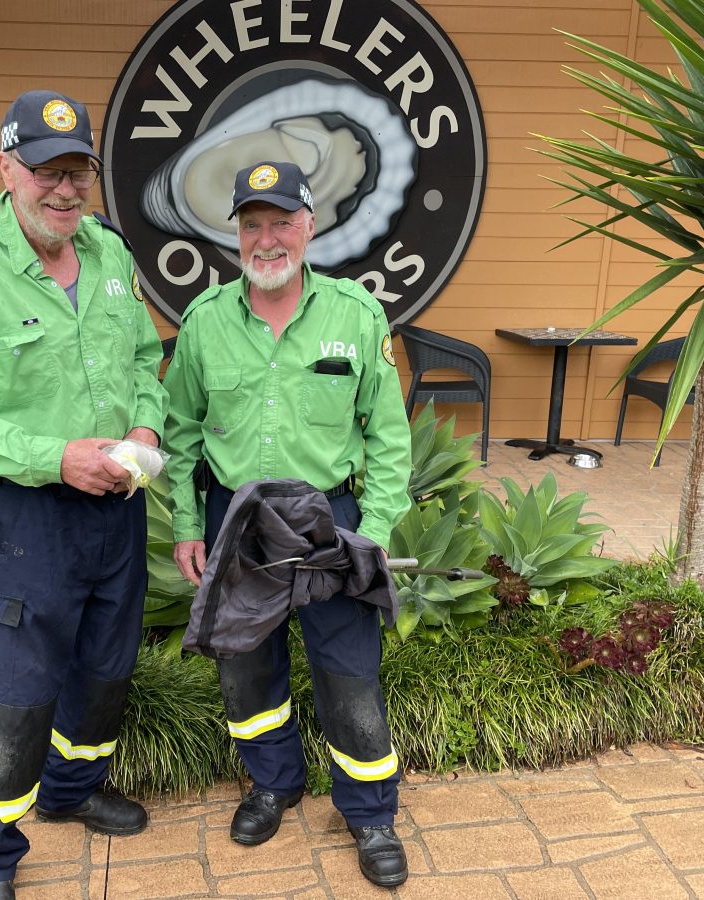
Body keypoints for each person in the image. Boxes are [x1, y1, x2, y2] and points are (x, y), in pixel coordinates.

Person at [0, 90, 167, 900]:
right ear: (6, 168)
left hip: (119, 510)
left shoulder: (111, 256)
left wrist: (149, 433)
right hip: (35, 520)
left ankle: (72, 791)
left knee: (105, 666)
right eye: (45, 172)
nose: (64, 190)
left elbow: (141, 366)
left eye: (78, 174)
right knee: (17, 688)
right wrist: (56, 458)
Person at [163, 161, 413, 888]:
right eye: (251, 225)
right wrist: (186, 522)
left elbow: (389, 437)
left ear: (309, 226)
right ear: (235, 234)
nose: (266, 239)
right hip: (235, 519)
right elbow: (178, 434)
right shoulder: (205, 321)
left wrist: (378, 527)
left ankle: (370, 814)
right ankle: (274, 783)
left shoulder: (355, 316)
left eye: (280, 223)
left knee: (349, 673)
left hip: (327, 520)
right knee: (245, 665)